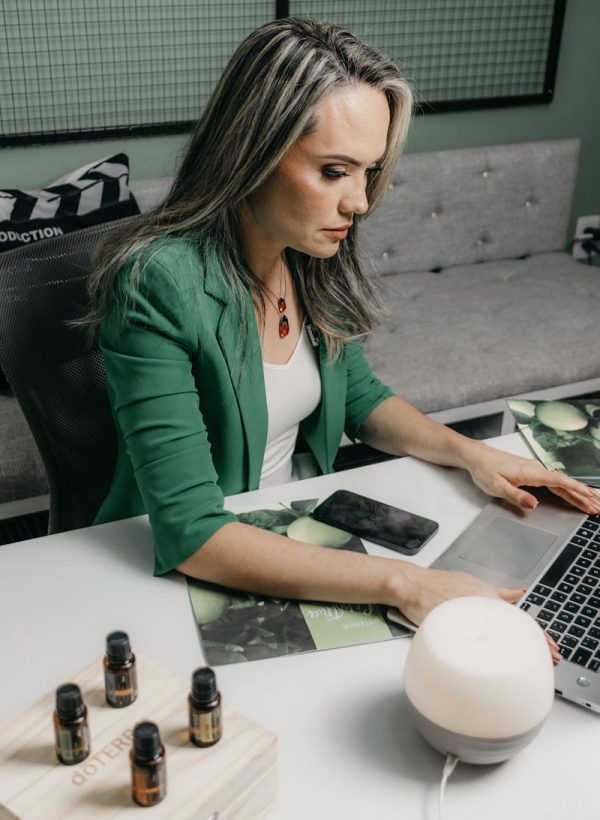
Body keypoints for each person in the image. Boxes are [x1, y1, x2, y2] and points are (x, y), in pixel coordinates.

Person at [88, 18, 598, 650]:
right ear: (252, 152)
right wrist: (407, 585)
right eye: (334, 171)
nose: (360, 202)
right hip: (199, 563)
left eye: (368, 171)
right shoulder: (157, 281)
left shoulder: (304, 254)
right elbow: (193, 532)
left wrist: (474, 453)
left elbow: (360, 397)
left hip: (292, 528)